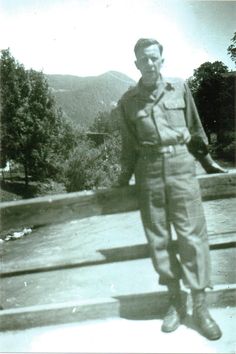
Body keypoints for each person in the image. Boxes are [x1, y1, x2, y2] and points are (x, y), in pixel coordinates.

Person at [116, 38, 227, 340]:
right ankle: (176, 303)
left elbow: (196, 131)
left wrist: (208, 163)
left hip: (181, 166)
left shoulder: (179, 87)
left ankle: (200, 307)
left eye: (154, 58)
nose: (149, 64)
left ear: (161, 60)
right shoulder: (127, 102)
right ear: (136, 64)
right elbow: (128, 149)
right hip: (148, 171)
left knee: (192, 236)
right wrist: (120, 181)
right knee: (159, 240)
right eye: (143, 59)